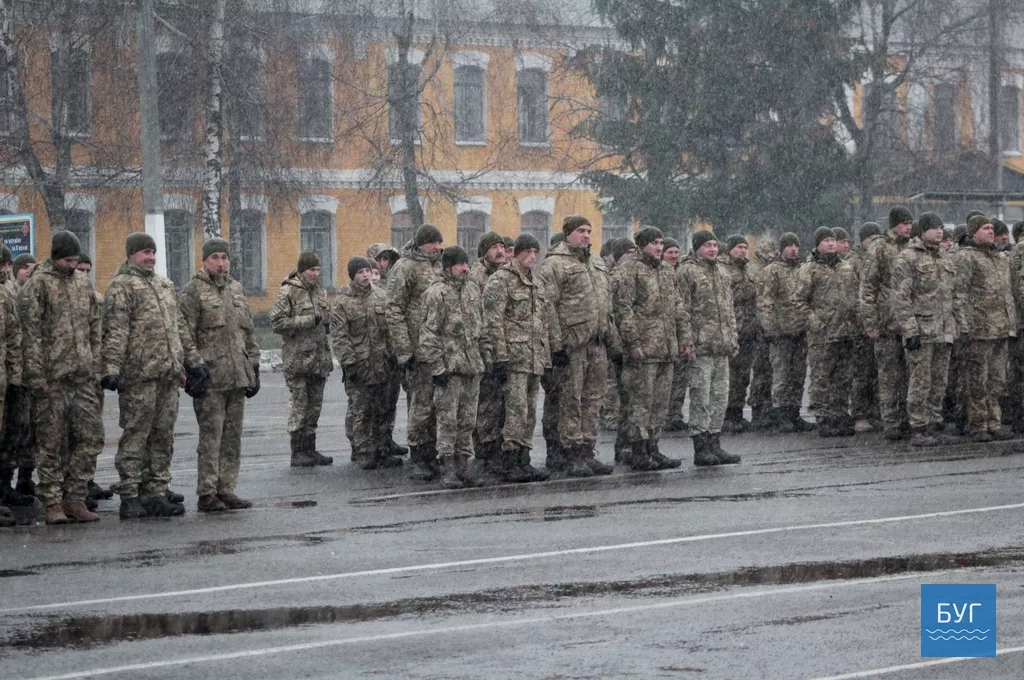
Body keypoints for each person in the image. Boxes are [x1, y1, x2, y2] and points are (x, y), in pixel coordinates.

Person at [102, 233, 191, 518]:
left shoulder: (164, 285)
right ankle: (129, 494)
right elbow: (116, 331)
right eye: (144, 253)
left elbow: (175, 329)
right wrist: (112, 369)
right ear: (131, 255)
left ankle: (156, 490)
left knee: (163, 435)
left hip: (166, 373)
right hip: (139, 375)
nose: (150, 257)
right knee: (136, 435)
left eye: (153, 252)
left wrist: (183, 364)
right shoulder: (121, 286)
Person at [20, 231, 104, 524]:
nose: (73, 265)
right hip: (51, 378)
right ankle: (53, 502)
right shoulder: (38, 285)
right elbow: (29, 335)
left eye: (76, 260)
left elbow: (94, 327)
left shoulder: (83, 284)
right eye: (68, 260)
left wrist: (96, 368)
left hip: (82, 377)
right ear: (56, 256)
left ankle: (76, 497)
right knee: (51, 444)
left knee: (91, 438)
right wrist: (35, 376)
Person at [178, 238, 260, 512]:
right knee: (211, 438)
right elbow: (184, 333)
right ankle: (207, 492)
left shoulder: (236, 289)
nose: (220, 263)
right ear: (204, 260)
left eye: (224, 257)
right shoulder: (193, 291)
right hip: (211, 377)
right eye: (215, 257)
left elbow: (247, 332)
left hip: (236, 375)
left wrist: (254, 365)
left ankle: (227, 488)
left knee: (232, 437)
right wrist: (194, 365)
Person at [538, 215, 615, 477]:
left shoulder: (596, 263)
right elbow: (548, 308)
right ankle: (571, 454)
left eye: (589, 230)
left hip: (597, 342)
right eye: (581, 230)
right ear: (568, 233)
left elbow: (606, 303)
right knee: (571, 400)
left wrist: (610, 335)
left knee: (593, 400)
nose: (586, 235)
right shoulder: (554, 265)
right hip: (572, 345)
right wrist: (555, 346)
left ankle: (587, 449)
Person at [482, 233, 554, 482]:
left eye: (536, 252)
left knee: (529, 412)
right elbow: (493, 322)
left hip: (534, 356)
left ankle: (524, 459)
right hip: (513, 358)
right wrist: (499, 357)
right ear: (518, 252)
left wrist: (548, 355)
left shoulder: (538, 280)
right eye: (528, 252)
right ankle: (510, 460)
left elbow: (543, 320)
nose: (532, 257)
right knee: (515, 411)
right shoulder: (501, 280)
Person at [612, 226, 684, 471]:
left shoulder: (666, 271)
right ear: (642, 244)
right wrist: (632, 343)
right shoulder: (629, 270)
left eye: (661, 242)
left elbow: (678, 308)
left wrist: (684, 340)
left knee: (660, 403)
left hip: (665, 348)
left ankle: (654, 448)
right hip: (644, 349)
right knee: (640, 402)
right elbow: (624, 310)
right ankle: (638, 450)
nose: (659, 247)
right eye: (654, 242)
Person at [419, 246, 486, 488]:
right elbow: (428, 335)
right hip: (449, 369)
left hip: (472, 367)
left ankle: (463, 467)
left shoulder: (472, 290)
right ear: (448, 267)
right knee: (448, 421)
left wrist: (485, 357)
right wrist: (437, 368)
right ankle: (448, 469)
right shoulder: (436, 293)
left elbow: (482, 327)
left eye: (466, 263)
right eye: (460, 264)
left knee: (468, 421)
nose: (465, 268)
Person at [331, 257, 403, 470]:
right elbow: (339, 335)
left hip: (382, 363)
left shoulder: (381, 296)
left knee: (382, 409)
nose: (365, 275)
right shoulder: (342, 302)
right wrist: (348, 363)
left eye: (367, 271)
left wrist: (394, 355)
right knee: (361, 411)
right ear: (352, 275)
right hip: (359, 365)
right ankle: (363, 452)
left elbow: (390, 329)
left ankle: (382, 450)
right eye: (360, 272)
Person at [891, 213, 956, 447]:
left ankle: (933, 423)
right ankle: (918, 427)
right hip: (922, 330)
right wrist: (910, 330)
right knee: (920, 381)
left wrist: (956, 326)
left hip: (944, 329)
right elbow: (901, 298)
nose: (940, 232)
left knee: (939, 381)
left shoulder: (945, 257)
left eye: (941, 227)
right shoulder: (907, 258)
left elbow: (952, 295)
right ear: (922, 231)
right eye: (934, 228)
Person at [386, 224, 444, 480]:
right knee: (420, 405)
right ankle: (419, 455)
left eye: (439, 243)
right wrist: (404, 350)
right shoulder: (405, 267)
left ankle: (433, 453)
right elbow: (394, 309)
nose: (438, 247)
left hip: (439, 348)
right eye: (433, 243)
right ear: (422, 244)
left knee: (437, 404)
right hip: (417, 348)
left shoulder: (439, 266)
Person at [678, 230, 740, 465]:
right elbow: (682, 310)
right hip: (700, 347)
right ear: (696, 248)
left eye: (715, 245)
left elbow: (729, 310)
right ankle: (701, 447)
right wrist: (686, 341)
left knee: (720, 397)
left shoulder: (723, 273)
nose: (713, 249)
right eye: (707, 245)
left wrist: (733, 339)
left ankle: (715, 442)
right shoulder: (687, 272)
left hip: (721, 346)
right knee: (701, 397)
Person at [952, 215, 1017, 442]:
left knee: (997, 381)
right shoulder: (966, 257)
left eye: (992, 228)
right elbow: (958, 294)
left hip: (1000, 328)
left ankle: (993, 421)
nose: (991, 231)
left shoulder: (999, 258)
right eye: (985, 228)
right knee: (976, 381)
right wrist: (963, 325)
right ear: (973, 232)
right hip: (978, 329)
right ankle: (977, 424)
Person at [792, 227, 860, 437]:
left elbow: (855, 296)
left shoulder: (846, 267)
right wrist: (815, 322)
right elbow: (797, 300)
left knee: (843, 377)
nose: (831, 244)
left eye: (833, 240)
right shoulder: (809, 269)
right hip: (822, 334)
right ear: (818, 244)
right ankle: (823, 416)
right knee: (822, 377)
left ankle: (839, 414)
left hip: (845, 332)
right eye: (826, 240)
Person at [269, 251, 334, 468]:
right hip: (298, 360)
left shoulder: (320, 291)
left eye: (317, 270)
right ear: (301, 270)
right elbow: (277, 323)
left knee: (314, 406)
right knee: (300, 405)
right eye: (311, 270)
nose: (315, 274)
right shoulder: (289, 291)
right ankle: (297, 451)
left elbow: (325, 321)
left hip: (318, 357)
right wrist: (308, 320)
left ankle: (310, 448)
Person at [860, 206, 913, 440]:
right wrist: (870, 323)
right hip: (886, 324)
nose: (908, 227)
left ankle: (908, 420)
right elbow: (867, 287)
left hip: (909, 323)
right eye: (903, 223)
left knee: (910, 377)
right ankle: (891, 422)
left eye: (910, 222)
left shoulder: (913, 247)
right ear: (893, 225)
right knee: (889, 376)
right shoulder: (879, 247)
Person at [756, 232, 814, 433]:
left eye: (796, 245)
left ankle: (794, 413)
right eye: (789, 245)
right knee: (781, 375)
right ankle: (781, 414)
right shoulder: (772, 271)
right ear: (781, 249)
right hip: (781, 334)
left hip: (800, 331)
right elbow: (765, 303)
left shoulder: (802, 269)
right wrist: (770, 330)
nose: (793, 249)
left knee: (798, 375)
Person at [469, 231, 508, 482]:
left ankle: (497, 450)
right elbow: (478, 317)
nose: (500, 251)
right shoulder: (476, 277)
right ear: (484, 251)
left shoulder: (505, 274)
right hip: (483, 347)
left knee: (500, 403)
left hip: (504, 346)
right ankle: (484, 452)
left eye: (502, 246)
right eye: (494, 247)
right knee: (485, 404)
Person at [720, 235, 758, 433]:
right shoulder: (723, 269)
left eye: (745, 247)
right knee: (730, 375)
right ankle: (726, 415)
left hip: (749, 330)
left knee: (743, 376)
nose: (742, 251)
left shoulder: (748, 269)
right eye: (738, 247)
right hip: (733, 329)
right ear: (730, 249)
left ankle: (737, 413)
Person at [849, 222, 883, 432]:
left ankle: (875, 412)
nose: (874, 243)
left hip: (880, 322)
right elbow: (854, 295)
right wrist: (864, 318)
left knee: (878, 373)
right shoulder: (853, 262)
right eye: (871, 239)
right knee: (861, 372)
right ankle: (860, 414)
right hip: (861, 325)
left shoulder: (878, 257)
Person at [746, 238, 777, 430]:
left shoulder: (768, 270)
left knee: (769, 370)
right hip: (758, 328)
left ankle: (766, 407)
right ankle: (758, 409)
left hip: (767, 326)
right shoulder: (755, 271)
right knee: (761, 370)